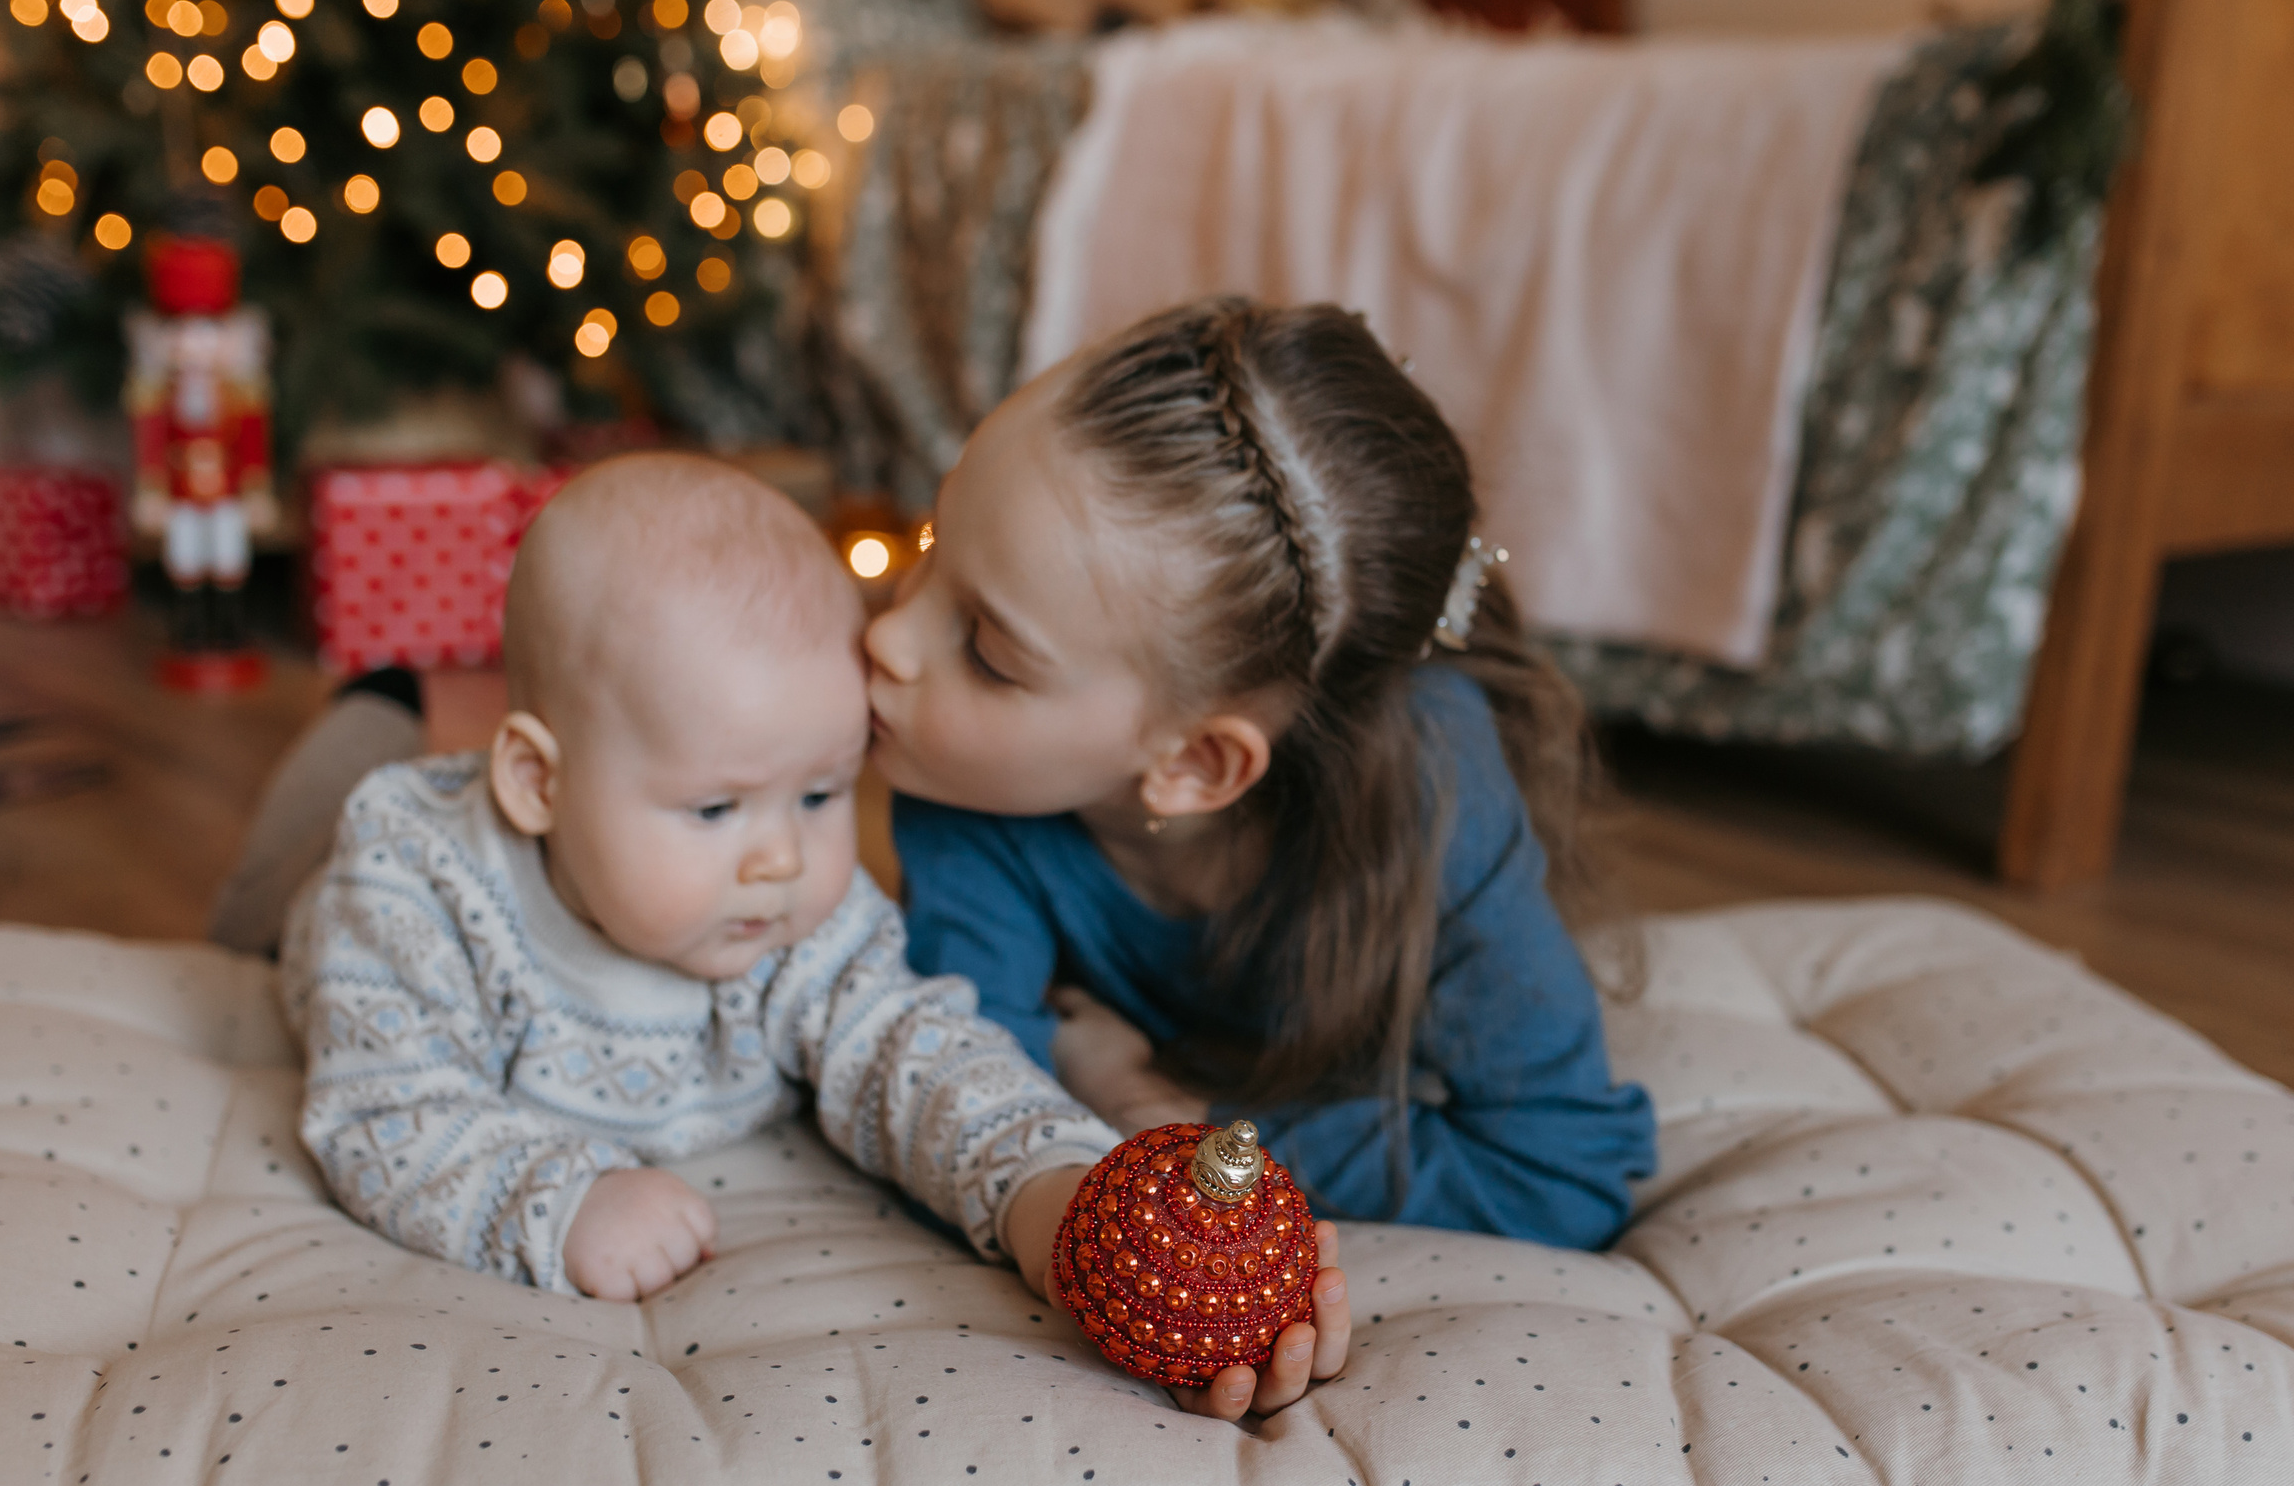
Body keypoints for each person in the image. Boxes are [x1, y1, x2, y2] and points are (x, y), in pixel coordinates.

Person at [867, 299, 1658, 1338]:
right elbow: (973, 1083)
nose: (886, 637)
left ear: (1196, 764)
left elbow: (1560, 1175)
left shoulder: (1436, 807)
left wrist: (1167, 1113)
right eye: (931, 538)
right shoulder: (967, 774)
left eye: (986, 651)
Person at [282, 456, 1130, 1308]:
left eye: (820, 793)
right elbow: (384, 1114)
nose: (782, 857)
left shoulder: (792, 915)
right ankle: (371, 715)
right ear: (540, 782)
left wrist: (1040, 1180)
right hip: (321, 904)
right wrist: (562, 1202)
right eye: (717, 807)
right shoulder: (412, 888)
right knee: (283, 870)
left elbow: (910, 1051)